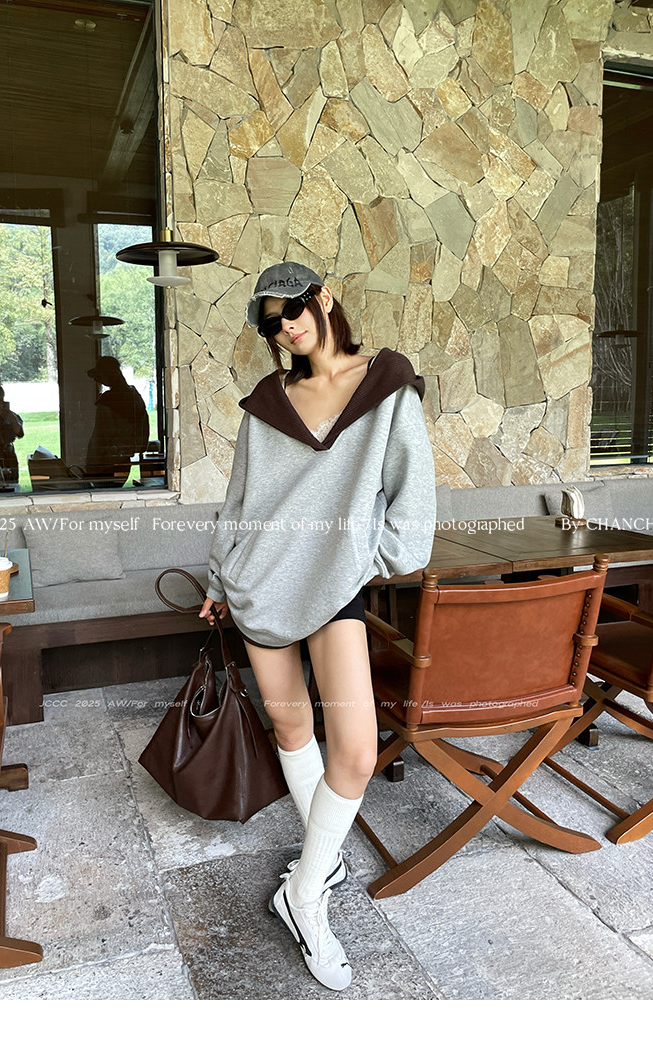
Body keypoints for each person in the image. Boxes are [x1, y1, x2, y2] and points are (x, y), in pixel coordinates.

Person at [199, 262, 436, 992]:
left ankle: (303, 895)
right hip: (261, 581)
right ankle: (320, 865)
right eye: (270, 323)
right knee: (292, 725)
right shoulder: (268, 404)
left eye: (292, 311)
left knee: (357, 752)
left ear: (323, 299)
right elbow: (240, 502)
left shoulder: (386, 387)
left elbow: (412, 507)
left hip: (333, 587)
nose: (285, 329)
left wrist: (364, 558)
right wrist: (218, 579)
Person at [85, 356, 149, 484]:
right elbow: (144, 431)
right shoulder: (135, 397)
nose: (97, 380)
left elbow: (100, 437)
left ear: (106, 375)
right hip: (124, 461)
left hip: (105, 463)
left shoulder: (107, 402)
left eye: (99, 376)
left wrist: (91, 463)